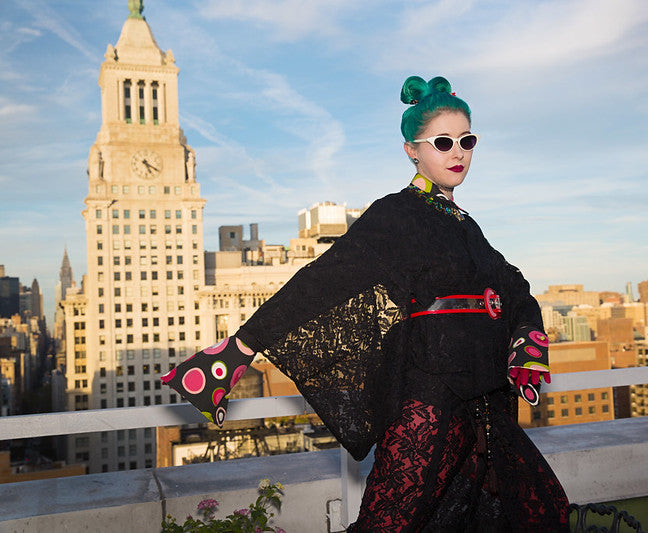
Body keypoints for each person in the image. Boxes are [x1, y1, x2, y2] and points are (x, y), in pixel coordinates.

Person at [163, 75, 570, 531]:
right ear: (412, 150)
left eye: (467, 140)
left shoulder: (465, 224)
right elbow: (324, 280)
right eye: (443, 141)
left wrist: (526, 338)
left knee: (532, 510)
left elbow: (511, 284)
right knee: (389, 522)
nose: (457, 152)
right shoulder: (394, 213)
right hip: (431, 401)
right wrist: (238, 350)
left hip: (486, 405)